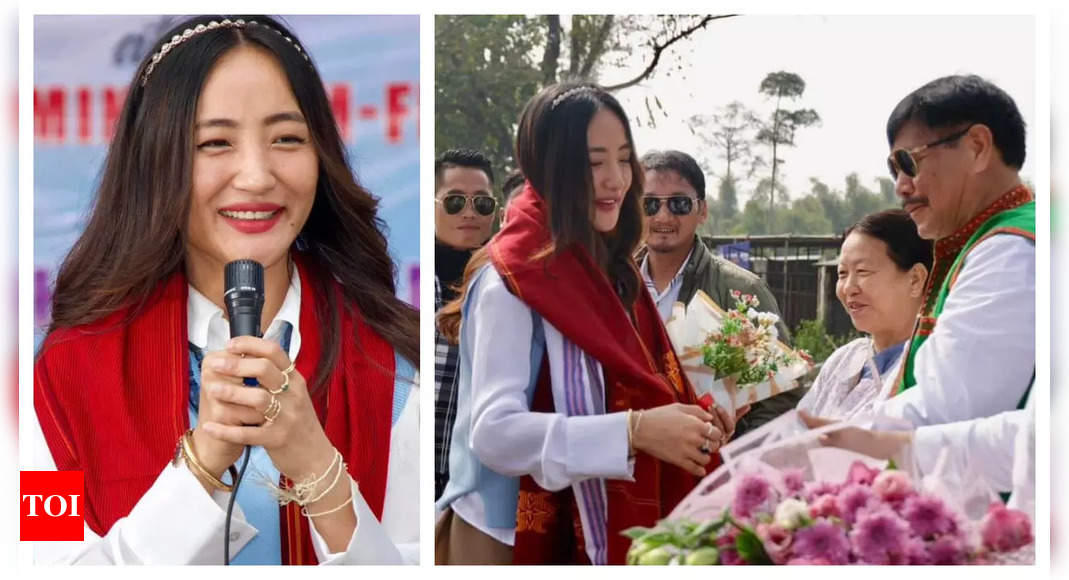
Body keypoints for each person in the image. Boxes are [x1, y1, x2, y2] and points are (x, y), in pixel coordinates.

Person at [33, 15, 418, 565]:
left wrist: (317, 467)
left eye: (287, 138)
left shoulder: (397, 367)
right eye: (215, 143)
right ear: (157, 162)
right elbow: (43, 563)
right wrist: (200, 467)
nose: (258, 175)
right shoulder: (58, 379)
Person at [434, 82, 737, 565]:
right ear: (551, 167)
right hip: (507, 538)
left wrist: (688, 419)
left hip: (587, 518)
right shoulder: (512, 278)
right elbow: (493, 434)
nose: (616, 180)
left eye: (623, 159)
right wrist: (635, 432)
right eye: (594, 163)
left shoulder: (609, 268)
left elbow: (627, 384)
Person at [875, 74, 1035, 427]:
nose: (901, 186)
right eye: (893, 169)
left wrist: (824, 445)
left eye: (908, 162)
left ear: (977, 146)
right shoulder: (989, 240)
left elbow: (945, 411)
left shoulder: (1011, 250)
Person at [635, 149, 795, 436]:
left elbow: (780, 395)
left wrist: (733, 454)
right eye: (650, 204)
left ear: (702, 211)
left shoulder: (741, 291)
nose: (663, 216)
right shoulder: (613, 285)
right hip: (632, 457)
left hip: (711, 462)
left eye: (679, 204)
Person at [796, 210, 931, 420]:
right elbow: (796, 435)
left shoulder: (929, 368)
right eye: (842, 273)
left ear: (915, 279)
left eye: (863, 271)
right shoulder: (843, 360)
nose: (848, 288)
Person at [433, 148, 496, 500]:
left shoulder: (509, 283)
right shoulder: (400, 277)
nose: (469, 213)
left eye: (481, 204)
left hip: (478, 480)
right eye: (455, 201)